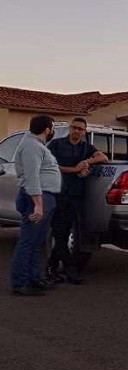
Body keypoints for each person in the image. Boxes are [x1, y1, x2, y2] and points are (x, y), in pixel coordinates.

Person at [46, 117, 108, 284]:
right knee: (59, 232)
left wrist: (87, 162)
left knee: (65, 232)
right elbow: (49, 165)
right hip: (57, 192)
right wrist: (74, 169)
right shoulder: (56, 144)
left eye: (80, 129)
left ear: (84, 132)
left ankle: (51, 267)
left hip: (75, 195)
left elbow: (103, 157)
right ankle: (70, 269)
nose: (77, 131)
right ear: (69, 128)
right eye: (74, 128)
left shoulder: (86, 147)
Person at [10, 115, 61, 296]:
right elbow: (32, 177)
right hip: (37, 198)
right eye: (52, 127)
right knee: (28, 241)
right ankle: (20, 283)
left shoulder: (37, 145)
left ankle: (34, 279)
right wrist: (38, 205)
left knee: (36, 242)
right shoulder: (32, 146)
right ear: (47, 129)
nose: (52, 130)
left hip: (45, 197)